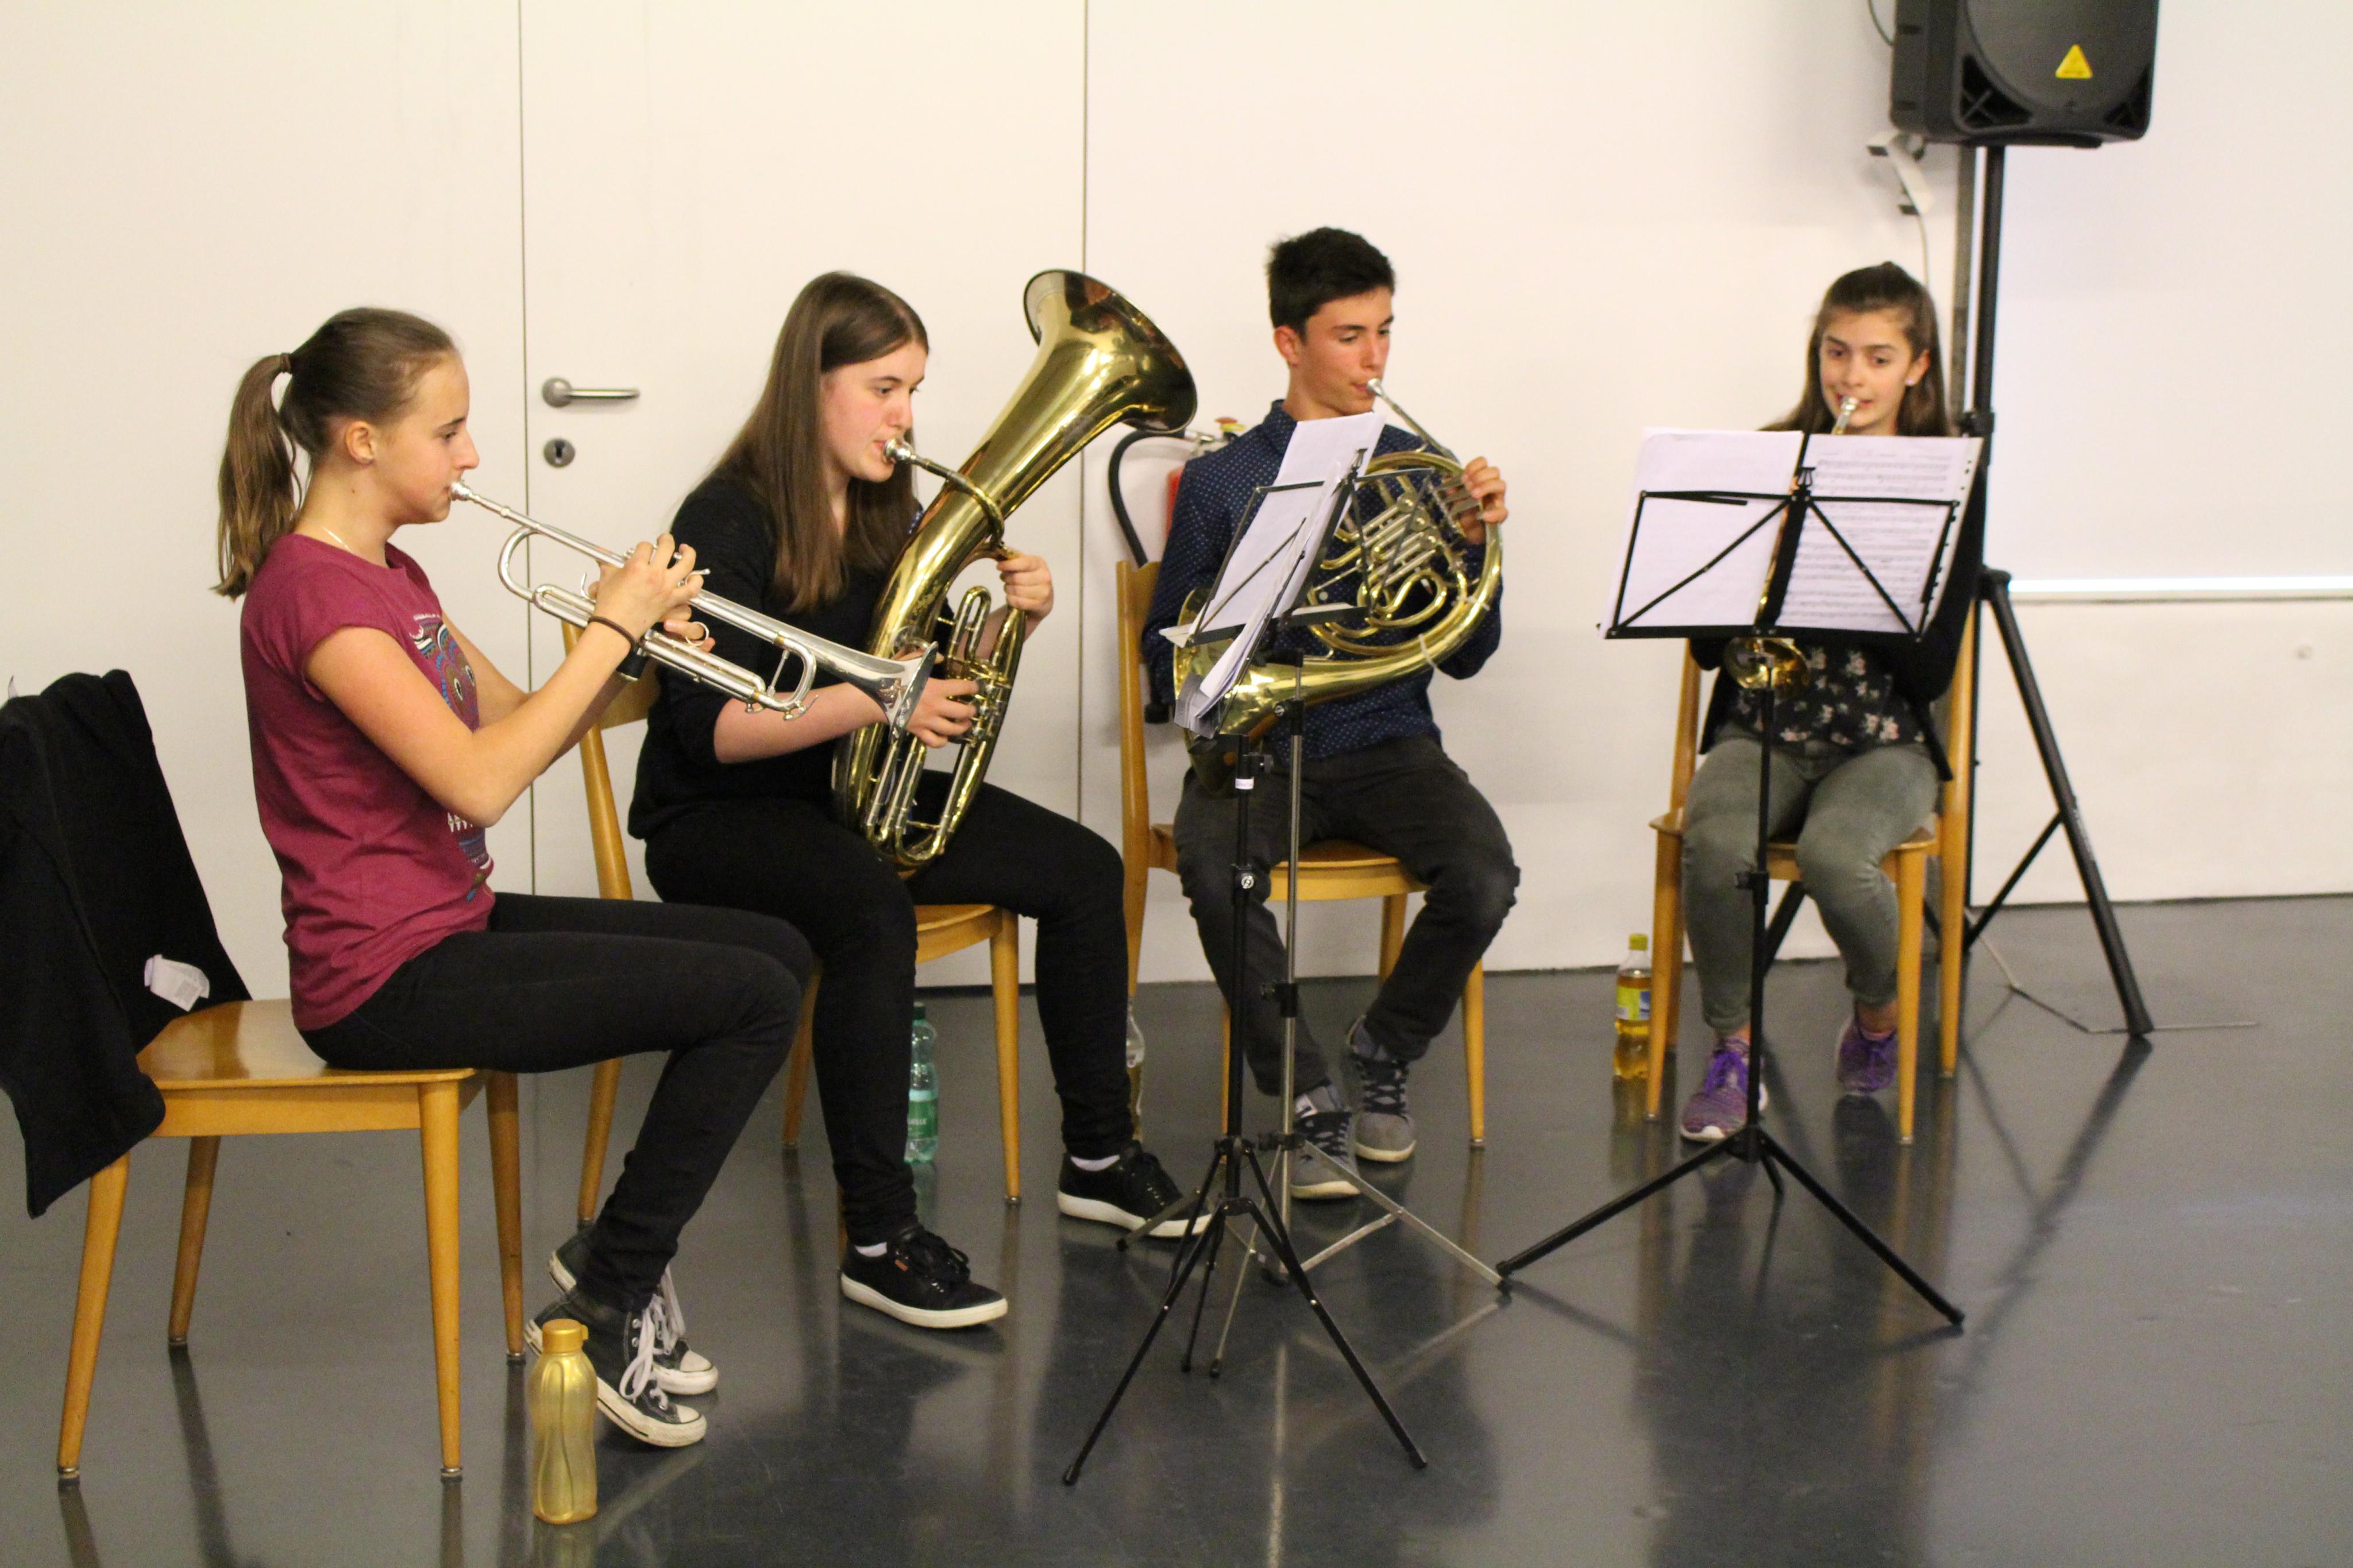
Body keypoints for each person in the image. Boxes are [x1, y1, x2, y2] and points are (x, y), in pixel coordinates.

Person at [221, 307, 810, 1448]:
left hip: (451, 921)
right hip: (379, 980)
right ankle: (610, 1295)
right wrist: (608, 628)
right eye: (448, 432)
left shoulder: (392, 574)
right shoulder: (313, 598)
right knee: (751, 1000)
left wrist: (649, 650)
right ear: (359, 441)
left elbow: (526, 718)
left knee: (774, 950)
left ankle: (610, 1259)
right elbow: (483, 782)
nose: (472, 456)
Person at [630, 272, 1198, 1329]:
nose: (904, 416)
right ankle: (880, 1237)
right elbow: (713, 730)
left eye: (913, 391)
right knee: (871, 914)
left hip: (836, 793)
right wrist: (879, 699)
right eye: (883, 388)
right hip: (718, 814)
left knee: (1084, 871)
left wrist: (1016, 620)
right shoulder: (726, 516)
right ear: (811, 385)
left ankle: (1098, 1153)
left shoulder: (887, 504)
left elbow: (926, 660)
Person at [1141, 227, 1519, 1198]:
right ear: (1289, 342)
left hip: (1391, 742)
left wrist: (1473, 546)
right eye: (1350, 336)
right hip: (1264, 746)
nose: (1374, 358)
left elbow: (1468, 653)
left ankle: (1383, 1048)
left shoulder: (1421, 469)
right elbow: (1163, 655)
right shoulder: (1224, 479)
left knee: (1485, 876)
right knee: (1215, 870)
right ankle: (1305, 1092)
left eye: (1384, 332)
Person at [1676, 261, 1977, 1142]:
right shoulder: (1773, 460)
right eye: (1837, 352)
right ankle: (1733, 1051)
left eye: (1879, 358)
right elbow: (1706, 650)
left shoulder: (1947, 479)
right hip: (1767, 720)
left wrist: (1852, 571)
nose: (1853, 377)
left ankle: (1878, 1012)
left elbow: (1931, 671)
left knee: (1837, 857)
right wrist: (1754, 571)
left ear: (1918, 366)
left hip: (1887, 737)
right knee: (1715, 840)